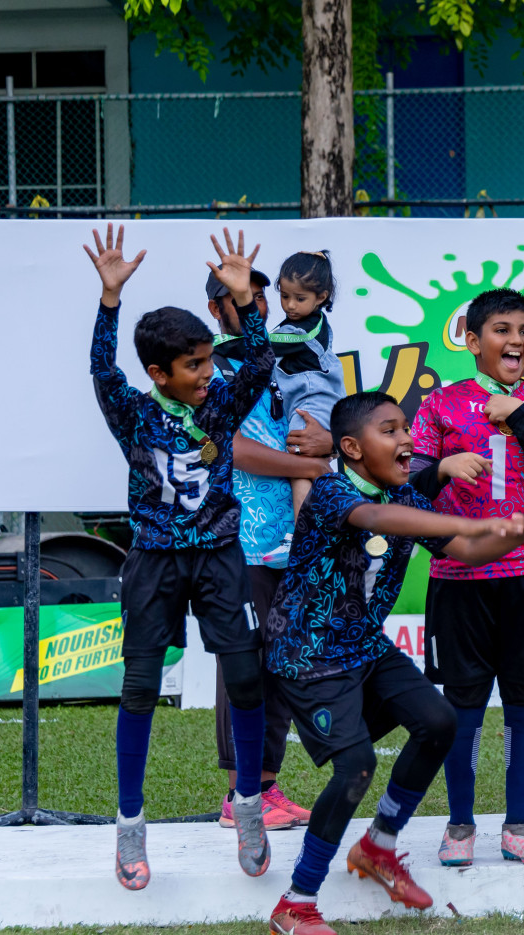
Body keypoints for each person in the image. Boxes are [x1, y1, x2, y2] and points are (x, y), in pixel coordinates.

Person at [264, 390, 524, 935]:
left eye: (406, 428)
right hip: (308, 655)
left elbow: (464, 552)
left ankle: (378, 846)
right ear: (352, 448)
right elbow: (380, 518)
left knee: (441, 720)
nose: (406, 439)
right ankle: (297, 901)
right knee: (355, 766)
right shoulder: (334, 492)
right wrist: (472, 523)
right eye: (390, 430)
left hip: (362, 644)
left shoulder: (407, 496)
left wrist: (523, 529)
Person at [85, 225, 275, 891]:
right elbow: (103, 371)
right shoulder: (133, 414)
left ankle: (248, 805)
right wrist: (110, 301)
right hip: (155, 560)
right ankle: (130, 826)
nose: (207, 374)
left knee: (247, 678)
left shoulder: (222, 401)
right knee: (140, 688)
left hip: (222, 554)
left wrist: (246, 301)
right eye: (194, 366)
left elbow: (258, 365)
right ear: (159, 374)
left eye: (207, 361)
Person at [409, 288, 524, 867]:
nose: (517, 341)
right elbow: (408, 487)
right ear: (474, 343)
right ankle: (459, 825)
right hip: (460, 577)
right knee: (464, 703)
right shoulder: (441, 405)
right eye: (502, 330)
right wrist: (442, 466)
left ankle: (518, 824)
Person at [205, 264, 325, 830]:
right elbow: (235, 450)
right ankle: (239, 795)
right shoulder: (213, 369)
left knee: (279, 664)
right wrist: (312, 463)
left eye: (259, 302)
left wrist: (324, 447)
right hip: (238, 543)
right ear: (216, 310)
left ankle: (267, 788)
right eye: (239, 303)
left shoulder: (288, 360)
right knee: (244, 667)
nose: (255, 313)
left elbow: (311, 428)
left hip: (287, 543)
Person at [265, 250, 348, 551]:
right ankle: (318, 533)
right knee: (311, 466)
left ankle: (304, 538)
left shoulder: (307, 327)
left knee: (303, 464)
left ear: (321, 296)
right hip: (304, 401)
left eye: (299, 298)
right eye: (284, 296)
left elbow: (267, 346)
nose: (289, 305)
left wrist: (227, 342)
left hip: (314, 402)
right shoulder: (298, 321)